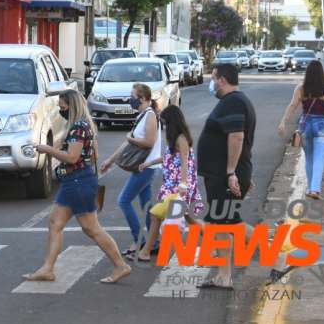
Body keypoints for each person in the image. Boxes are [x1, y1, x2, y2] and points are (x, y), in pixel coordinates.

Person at [25, 89, 131, 284]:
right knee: (61, 224)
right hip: (79, 181)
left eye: (62, 106)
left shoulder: (78, 127)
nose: (60, 109)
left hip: (77, 182)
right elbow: (88, 154)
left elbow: (73, 157)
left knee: (89, 228)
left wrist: (47, 149)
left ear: (71, 106)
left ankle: (120, 265)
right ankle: (48, 268)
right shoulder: (85, 125)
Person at [196, 63, 255, 290]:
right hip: (223, 175)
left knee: (229, 223)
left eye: (213, 78)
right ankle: (223, 276)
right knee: (221, 224)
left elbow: (238, 137)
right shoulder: (234, 102)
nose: (211, 82)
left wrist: (232, 172)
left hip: (224, 176)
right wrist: (242, 172)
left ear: (221, 80)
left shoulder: (233, 102)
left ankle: (279, 258)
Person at [99, 83, 162, 261]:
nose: (130, 99)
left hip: (146, 167)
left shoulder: (149, 116)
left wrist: (130, 138)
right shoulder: (143, 115)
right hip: (144, 166)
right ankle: (154, 242)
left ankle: (139, 240)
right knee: (147, 205)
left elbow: (149, 142)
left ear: (142, 98)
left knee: (124, 200)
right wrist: (110, 161)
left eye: (132, 95)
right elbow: (128, 142)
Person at [135, 104, 203, 262]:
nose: (164, 126)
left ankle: (146, 252)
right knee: (186, 219)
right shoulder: (174, 138)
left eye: (165, 122)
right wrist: (148, 163)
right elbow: (169, 157)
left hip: (178, 186)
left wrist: (184, 185)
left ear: (173, 122)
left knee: (155, 214)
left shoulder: (181, 138)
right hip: (172, 184)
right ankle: (216, 245)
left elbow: (185, 162)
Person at [278, 60, 324, 200]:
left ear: (307, 73)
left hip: (306, 126)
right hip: (322, 126)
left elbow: (292, 106)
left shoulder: (300, 89)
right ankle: (315, 189)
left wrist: (283, 122)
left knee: (309, 158)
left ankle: (310, 188)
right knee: (319, 158)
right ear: (322, 74)